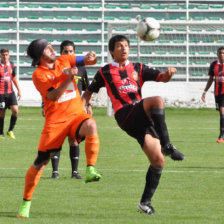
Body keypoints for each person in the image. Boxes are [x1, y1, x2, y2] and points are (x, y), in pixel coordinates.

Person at [82, 35, 185, 215]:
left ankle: (145, 203)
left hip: (140, 117)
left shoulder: (138, 68)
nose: (124, 48)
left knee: (158, 161)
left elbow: (162, 78)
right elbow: (88, 93)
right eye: (119, 46)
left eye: (126, 45)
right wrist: (85, 107)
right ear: (112, 51)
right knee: (157, 100)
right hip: (125, 114)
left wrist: (168, 74)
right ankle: (167, 145)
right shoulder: (104, 71)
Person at [17, 39, 101, 218]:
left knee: (92, 124)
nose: (51, 48)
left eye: (50, 45)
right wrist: (69, 78)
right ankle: (26, 202)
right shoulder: (38, 74)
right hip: (55, 122)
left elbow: (85, 60)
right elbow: (53, 96)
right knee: (40, 163)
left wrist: (91, 58)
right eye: (46, 47)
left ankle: (90, 169)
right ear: (40, 55)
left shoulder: (64, 59)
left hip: (76, 115)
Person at [49, 40, 92, 179]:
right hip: (58, 109)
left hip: (75, 110)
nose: (68, 54)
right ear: (60, 53)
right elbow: (49, 89)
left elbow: (86, 90)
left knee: (73, 140)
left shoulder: (81, 68)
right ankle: (55, 172)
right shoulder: (55, 68)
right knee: (56, 140)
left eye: (71, 51)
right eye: (65, 51)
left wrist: (88, 105)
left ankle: (75, 172)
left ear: (74, 52)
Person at [202, 46, 224, 143]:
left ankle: (221, 136)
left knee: (222, 113)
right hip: (218, 93)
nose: (221, 55)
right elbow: (211, 79)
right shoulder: (213, 65)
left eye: (223, 53)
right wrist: (204, 92)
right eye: (220, 53)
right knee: (221, 113)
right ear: (217, 54)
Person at [0, 48, 21, 139]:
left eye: (6, 54)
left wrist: (19, 90)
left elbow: (14, 78)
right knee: (2, 112)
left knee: (15, 110)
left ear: (9, 55)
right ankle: (0, 133)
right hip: (1, 93)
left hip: (10, 92)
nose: (5, 56)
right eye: (3, 55)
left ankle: (10, 130)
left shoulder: (12, 65)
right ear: (0, 56)